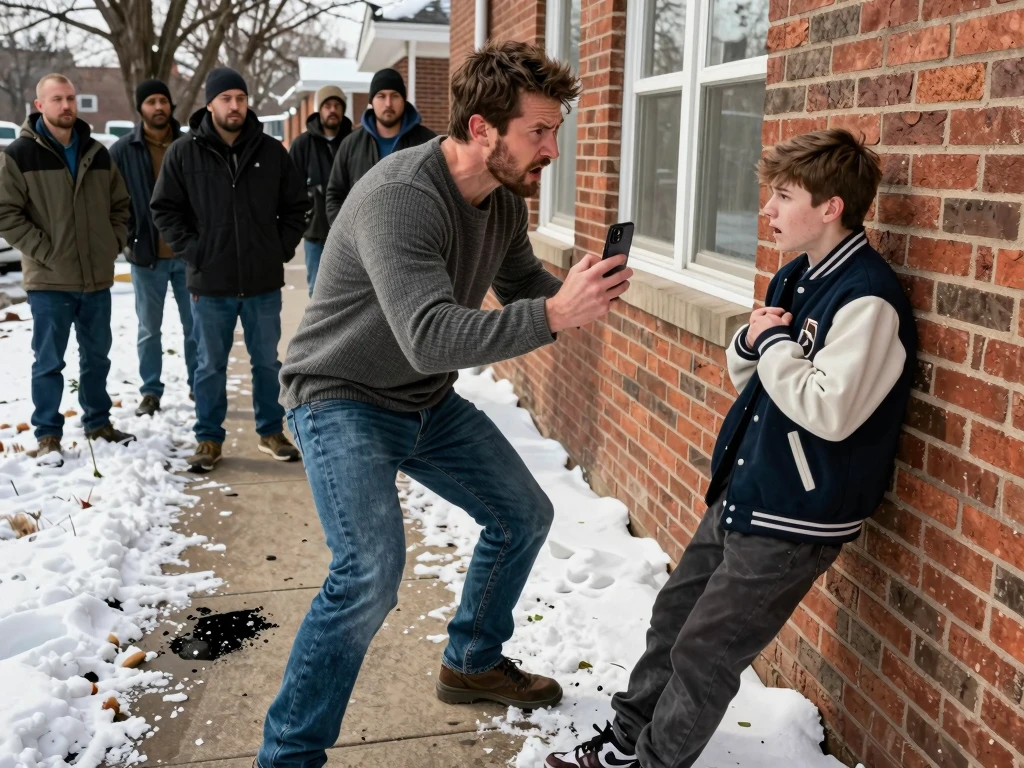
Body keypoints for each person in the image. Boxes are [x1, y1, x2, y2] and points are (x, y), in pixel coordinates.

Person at [258, 41, 632, 768]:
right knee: (368, 571)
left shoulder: (498, 206)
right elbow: (431, 336)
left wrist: (574, 291)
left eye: (555, 130)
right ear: (482, 129)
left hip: (421, 399)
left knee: (523, 514)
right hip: (339, 396)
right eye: (538, 132)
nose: (552, 149)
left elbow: (527, 289)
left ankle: (471, 660)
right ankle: (288, 756)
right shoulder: (404, 198)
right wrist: (556, 316)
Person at [546, 129, 917, 768]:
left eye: (783, 196)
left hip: (796, 513)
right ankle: (628, 738)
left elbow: (829, 410)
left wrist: (773, 347)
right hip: (749, 487)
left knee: (707, 651)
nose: (766, 211)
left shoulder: (868, 299)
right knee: (673, 617)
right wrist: (751, 346)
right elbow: (761, 385)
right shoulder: (795, 277)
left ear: (831, 208)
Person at [150, 67, 309, 473]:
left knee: (267, 363)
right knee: (209, 365)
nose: (235, 106)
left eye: (240, 98)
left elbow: (296, 207)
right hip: (211, 283)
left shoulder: (272, 152)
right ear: (210, 104)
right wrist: (194, 250)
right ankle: (208, 439)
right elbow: (164, 209)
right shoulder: (184, 152)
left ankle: (270, 431)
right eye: (226, 99)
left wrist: (278, 248)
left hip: (261, 282)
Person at [0, 73, 135, 466]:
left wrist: (110, 244)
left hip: (95, 278)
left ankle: (97, 422)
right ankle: (47, 435)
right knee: (49, 361)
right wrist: (45, 250)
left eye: (71, 98)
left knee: (98, 357)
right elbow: (6, 213)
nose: (66, 106)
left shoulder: (97, 152)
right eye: (57, 99)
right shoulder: (19, 155)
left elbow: (120, 206)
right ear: (39, 105)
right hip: (49, 280)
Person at [110, 78, 197, 417]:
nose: (158, 107)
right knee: (149, 329)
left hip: (188, 256)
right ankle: (150, 391)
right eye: (151, 102)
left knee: (195, 327)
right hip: (146, 256)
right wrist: (129, 236)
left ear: (171, 106)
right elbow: (113, 201)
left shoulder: (189, 145)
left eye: (163, 101)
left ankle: (197, 384)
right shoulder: (121, 151)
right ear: (140, 108)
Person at [324, 67, 435, 225]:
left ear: (404, 100)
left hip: (413, 241)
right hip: (360, 244)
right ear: (371, 102)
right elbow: (335, 196)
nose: (388, 103)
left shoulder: (427, 143)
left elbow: (441, 195)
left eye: (395, 96)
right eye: (381, 96)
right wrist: (347, 236)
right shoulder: (351, 145)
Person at [287, 85, 353, 296]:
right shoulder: (302, 145)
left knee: (349, 293)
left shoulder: (353, 142)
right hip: (315, 234)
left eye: (337, 105)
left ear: (343, 110)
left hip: (350, 235)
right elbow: (290, 188)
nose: (332, 110)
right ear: (319, 109)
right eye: (327, 105)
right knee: (318, 293)